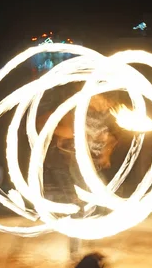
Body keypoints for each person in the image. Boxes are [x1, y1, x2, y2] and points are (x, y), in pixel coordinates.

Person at [38, 92, 120, 260]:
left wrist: (106, 153)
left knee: (98, 203)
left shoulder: (104, 116)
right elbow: (66, 131)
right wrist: (62, 132)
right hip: (76, 163)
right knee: (81, 206)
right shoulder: (78, 112)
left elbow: (112, 138)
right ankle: (76, 251)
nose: (106, 105)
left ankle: (86, 242)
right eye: (103, 100)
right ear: (94, 97)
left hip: (91, 166)